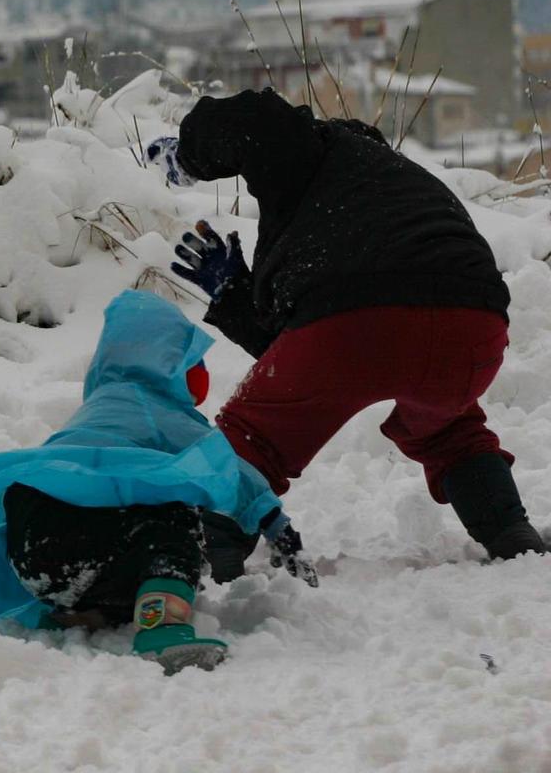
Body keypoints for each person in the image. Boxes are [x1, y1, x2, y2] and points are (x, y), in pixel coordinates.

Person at [147, 89, 547, 562]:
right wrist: (235, 295)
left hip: (357, 322)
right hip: (473, 328)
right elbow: (305, 355)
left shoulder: (319, 147)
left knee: (254, 437)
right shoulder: (393, 186)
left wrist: (189, 156)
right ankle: (510, 534)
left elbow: (259, 119)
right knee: (447, 427)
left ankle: (199, 559)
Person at [0, 291, 301, 674]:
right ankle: (161, 629)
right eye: (194, 365)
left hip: (32, 541)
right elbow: (226, 466)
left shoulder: (98, 409)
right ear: (174, 369)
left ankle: (76, 612)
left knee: (120, 544)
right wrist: (271, 519)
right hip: (81, 531)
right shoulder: (159, 409)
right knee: (174, 530)